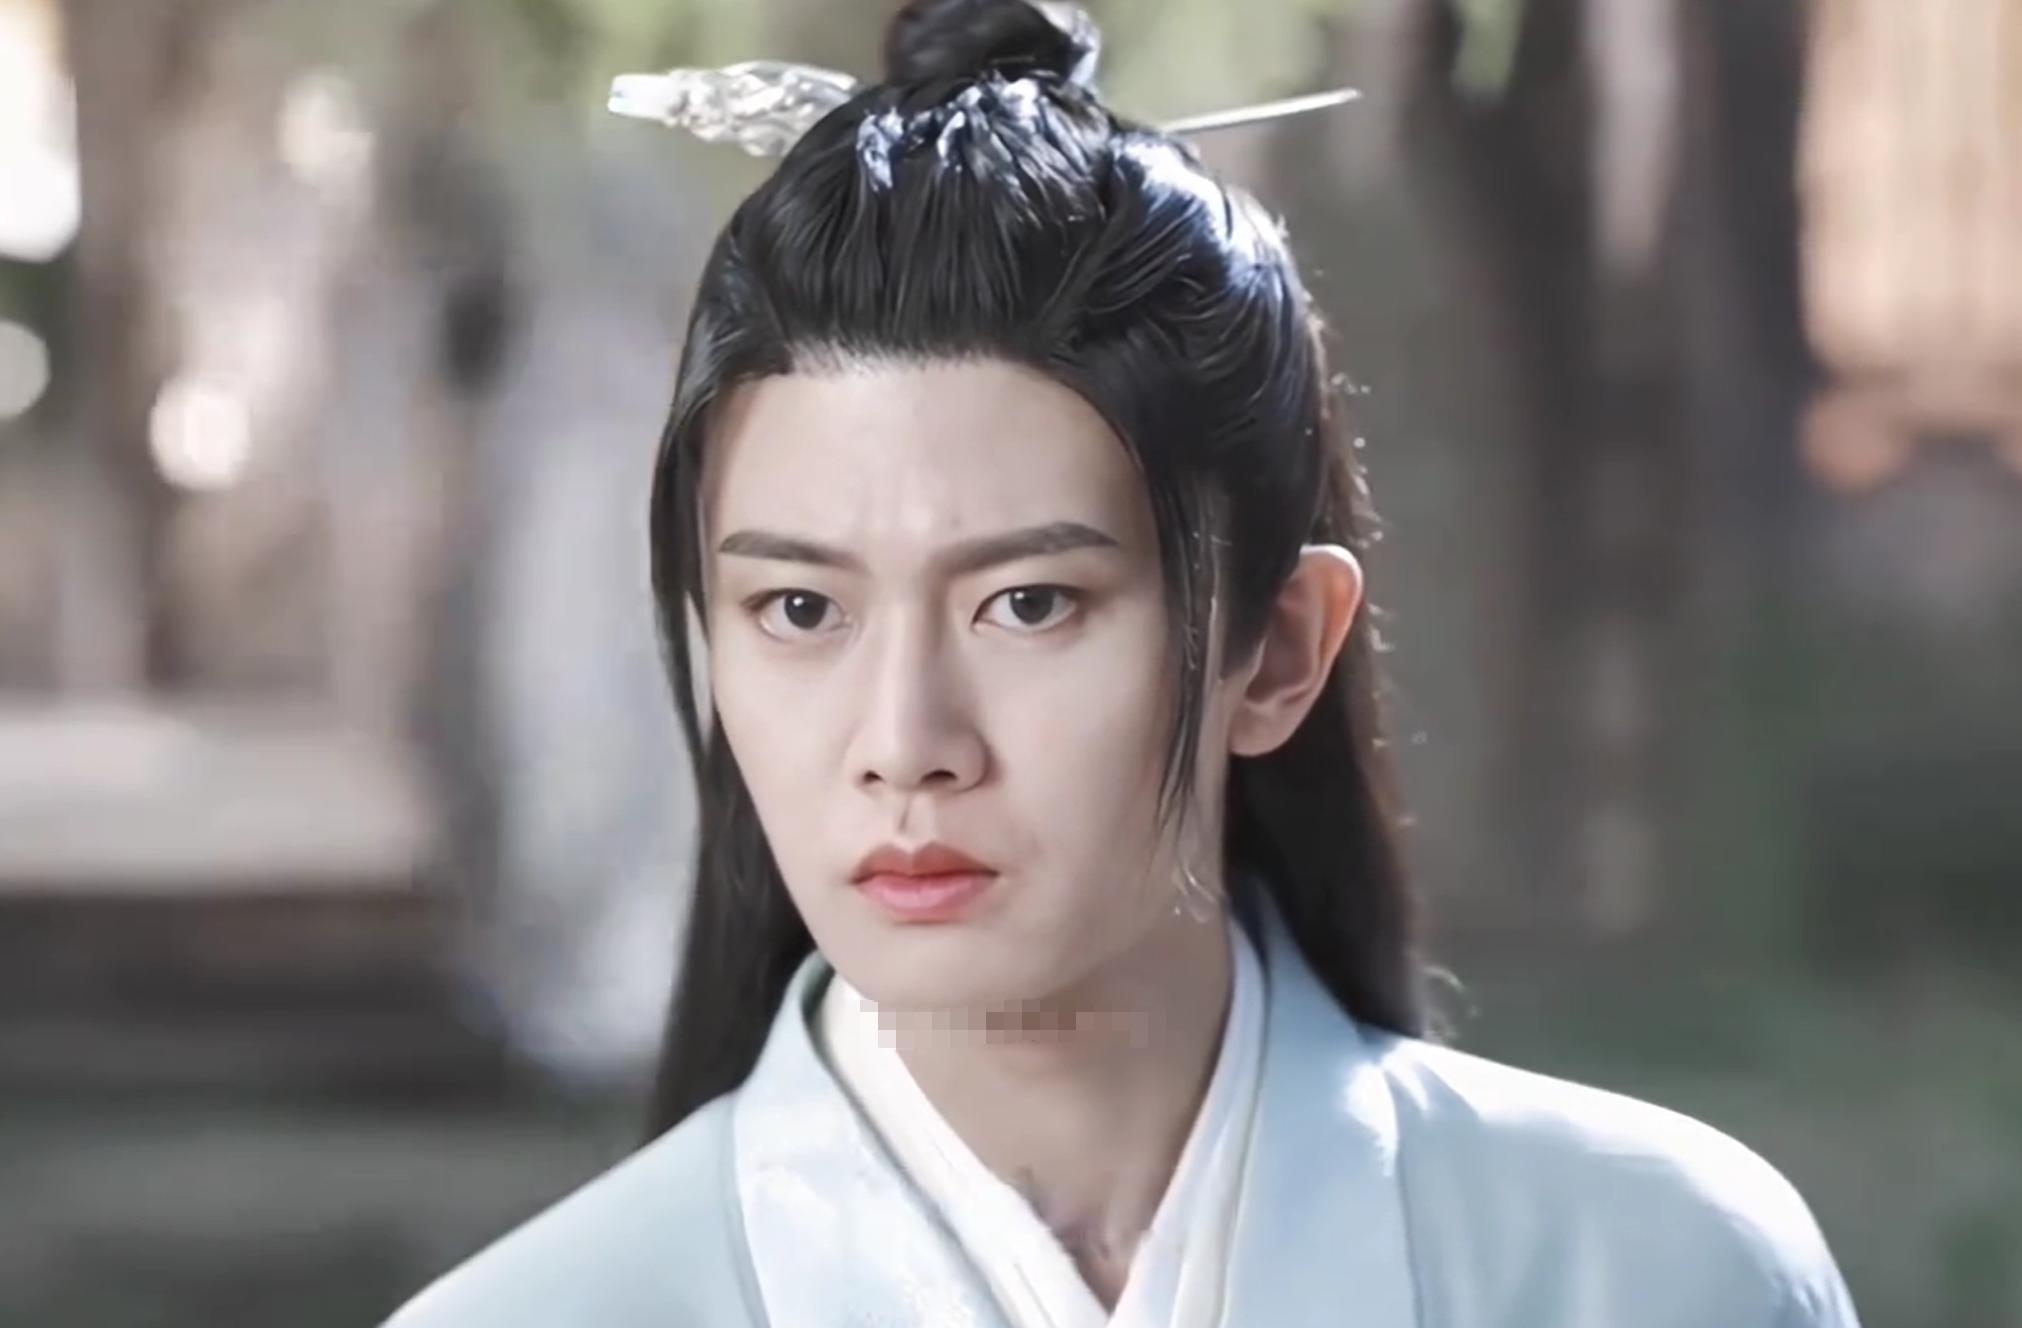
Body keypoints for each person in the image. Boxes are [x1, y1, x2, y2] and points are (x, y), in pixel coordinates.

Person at [383, 2, 1861, 1324]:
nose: (904, 742)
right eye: (801, 612)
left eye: (1027, 603)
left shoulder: (1656, 1271)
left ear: (1277, 650)